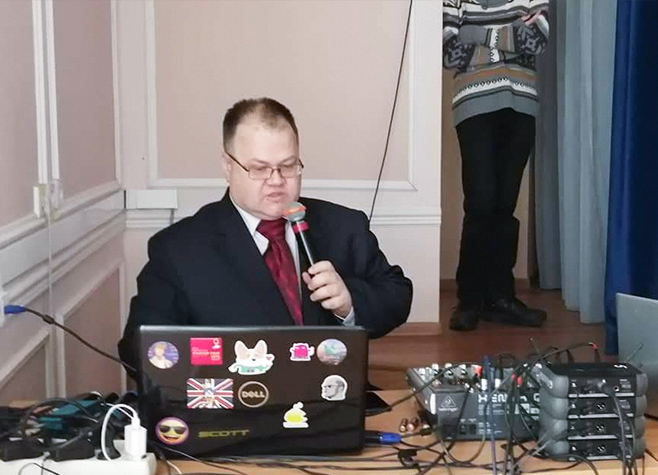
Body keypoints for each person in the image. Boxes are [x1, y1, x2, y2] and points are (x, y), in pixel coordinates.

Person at [118, 98, 413, 371]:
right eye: (259, 169)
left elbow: (397, 295)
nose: (276, 181)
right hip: (233, 401)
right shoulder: (179, 249)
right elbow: (139, 347)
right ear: (228, 167)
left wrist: (348, 303)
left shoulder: (343, 226)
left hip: (335, 394)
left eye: (288, 166)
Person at [443, 0, 550, 331]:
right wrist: (509, 38)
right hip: (474, 105)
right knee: (480, 201)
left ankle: (501, 298)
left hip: (522, 104)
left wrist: (476, 34)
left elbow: (537, 41)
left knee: (505, 204)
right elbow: (449, 53)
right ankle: (470, 300)